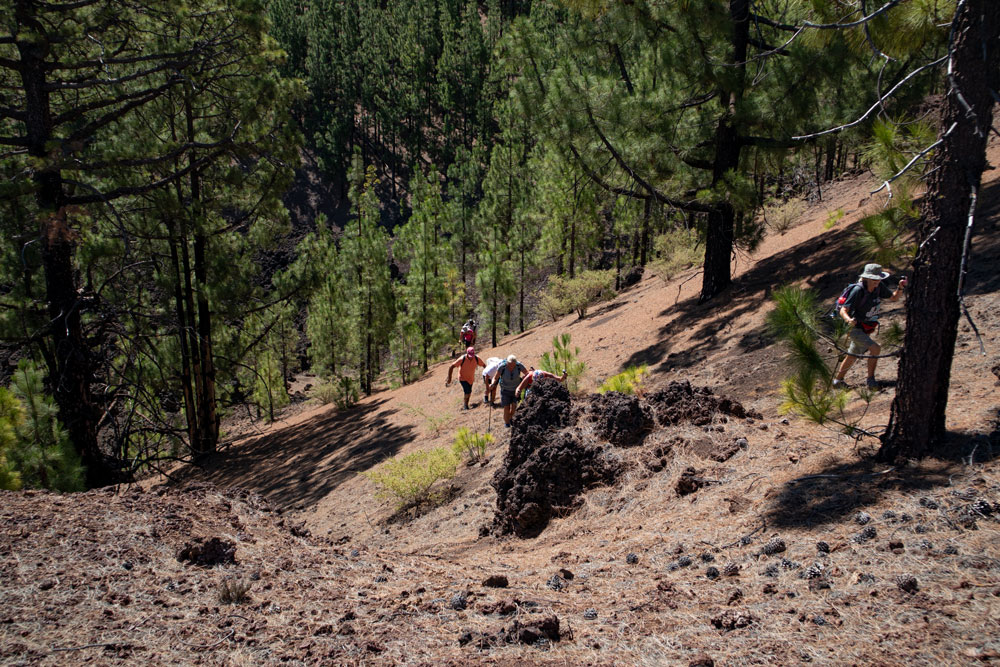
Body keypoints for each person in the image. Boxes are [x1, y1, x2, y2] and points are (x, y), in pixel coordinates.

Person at [832, 263, 906, 390]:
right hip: (853, 328)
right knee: (875, 348)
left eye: (878, 278)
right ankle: (871, 381)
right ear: (866, 278)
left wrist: (900, 287)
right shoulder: (858, 290)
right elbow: (843, 310)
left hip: (866, 327)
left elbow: (894, 298)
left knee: (853, 354)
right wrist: (849, 320)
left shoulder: (878, 287)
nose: (877, 281)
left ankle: (837, 381)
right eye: (874, 279)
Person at [489, 354, 528, 428]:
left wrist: (525, 379)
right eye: (509, 365)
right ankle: (507, 423)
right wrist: (492, 383)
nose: (511, 367)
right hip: (505, 390)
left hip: (516, 390)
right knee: (506, 408)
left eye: (513, 365)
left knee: (514, 408)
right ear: (507, 362)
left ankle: (510, 419)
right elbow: (495, 377)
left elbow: (527, 373)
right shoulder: (502, 367)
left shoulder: (519, 366)